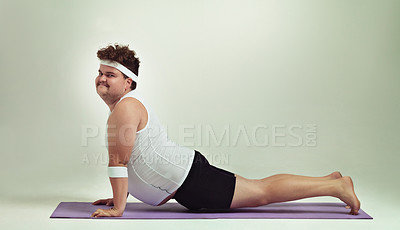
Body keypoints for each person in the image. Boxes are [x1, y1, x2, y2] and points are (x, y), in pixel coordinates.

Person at [91, 44, 361, 218]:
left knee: (262, 192)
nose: (102, 78)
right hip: (187, 180)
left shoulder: (126, 108)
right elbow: (133, 157)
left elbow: (120, 161)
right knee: (260, 188)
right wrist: (118, 195)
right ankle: (329, 180)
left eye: (110, 75)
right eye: (100, 72)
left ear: (128, 82)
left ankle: (336, 185)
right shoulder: (122, 108)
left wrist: (118, 208)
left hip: (191, 180)